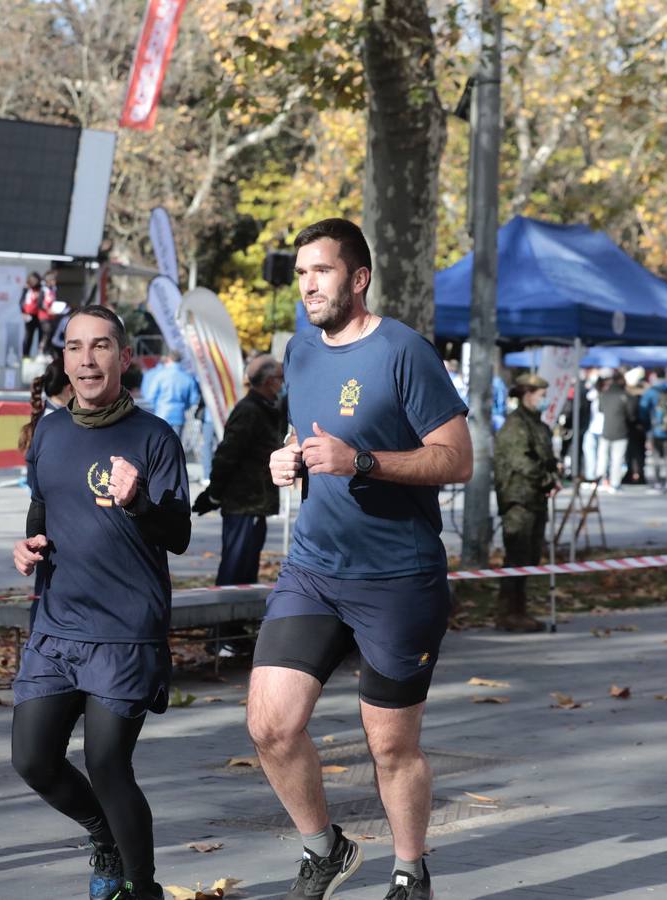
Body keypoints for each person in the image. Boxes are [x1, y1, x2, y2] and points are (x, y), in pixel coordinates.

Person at [255, 218, 471, 900]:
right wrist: (289, 458)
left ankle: (410, 870)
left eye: (320, 271)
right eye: (300, 274)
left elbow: (457, 459)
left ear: (358, 278)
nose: (308, 285)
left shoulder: (404, 351)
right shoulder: (299, 351)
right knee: (270, 726)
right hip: (313, 569)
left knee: (390, 747)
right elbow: (310, 432)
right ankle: (326, 849)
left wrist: (363, 462)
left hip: (397, 578)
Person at [10, 305, 190, 900]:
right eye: (75, 347)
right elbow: (41, 507)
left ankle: (142, 889)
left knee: (108, 764)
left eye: (101, 346)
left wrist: (137, 501)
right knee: (33, 759)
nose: (87, 359)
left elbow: (178, 534)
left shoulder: (154, 437)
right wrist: (30, 544)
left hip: (125, 630)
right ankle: (104, 836)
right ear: (64, 359)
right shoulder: (49, 432)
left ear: (124, 356)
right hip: (56, 625)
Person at [193, 354, 287, 656]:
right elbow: (227, 454)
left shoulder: (267, 408)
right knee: (234, 572)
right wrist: (213, 495)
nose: (284, 384)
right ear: (269, 381)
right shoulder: (249, 410)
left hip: (255, 505)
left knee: (245, 573)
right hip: (243, 505)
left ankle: (235, 632)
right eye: (281, 378)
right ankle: (220, 636)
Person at [493, 373, 561, 632]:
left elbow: (545, 457)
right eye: (541, 395)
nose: (545, 400)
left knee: (530, 557)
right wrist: (547, 480)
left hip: (535, 498)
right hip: (518, 499)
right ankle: (509, 612)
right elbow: (521, 462)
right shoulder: (516, 425)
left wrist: (553, 475)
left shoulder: (537, 424)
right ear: (527, 394)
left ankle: (519, 610)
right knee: (517, 557)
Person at [143, 350, 200, 440]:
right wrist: (184, 406)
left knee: (160, 444)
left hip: (162, 414)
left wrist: (157, 405)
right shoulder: (188, 377)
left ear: (169, 359)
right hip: (179, 415)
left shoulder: (160, 375)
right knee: (176, 444)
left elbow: (150, 396)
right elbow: (194, 399)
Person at [596, 370, 630, 491]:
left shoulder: (604, 395)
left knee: (602, 457)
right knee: (617, 459)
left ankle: (600, 481)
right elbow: (630, 414)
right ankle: (615, 483)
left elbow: (600, 409)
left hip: (606, 430)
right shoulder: (624, 395)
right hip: (621, 430)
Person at [19, 271, 44, 358]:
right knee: (28, 336)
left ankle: (40, 355)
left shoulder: (42, 289)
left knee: (41, 335)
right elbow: (21, 302)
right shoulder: (26, 289)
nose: (34, 282)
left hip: (40, 316)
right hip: (29, 316)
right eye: (32, 280)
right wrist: (23, 313)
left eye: (35, 280)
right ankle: (25, 355)